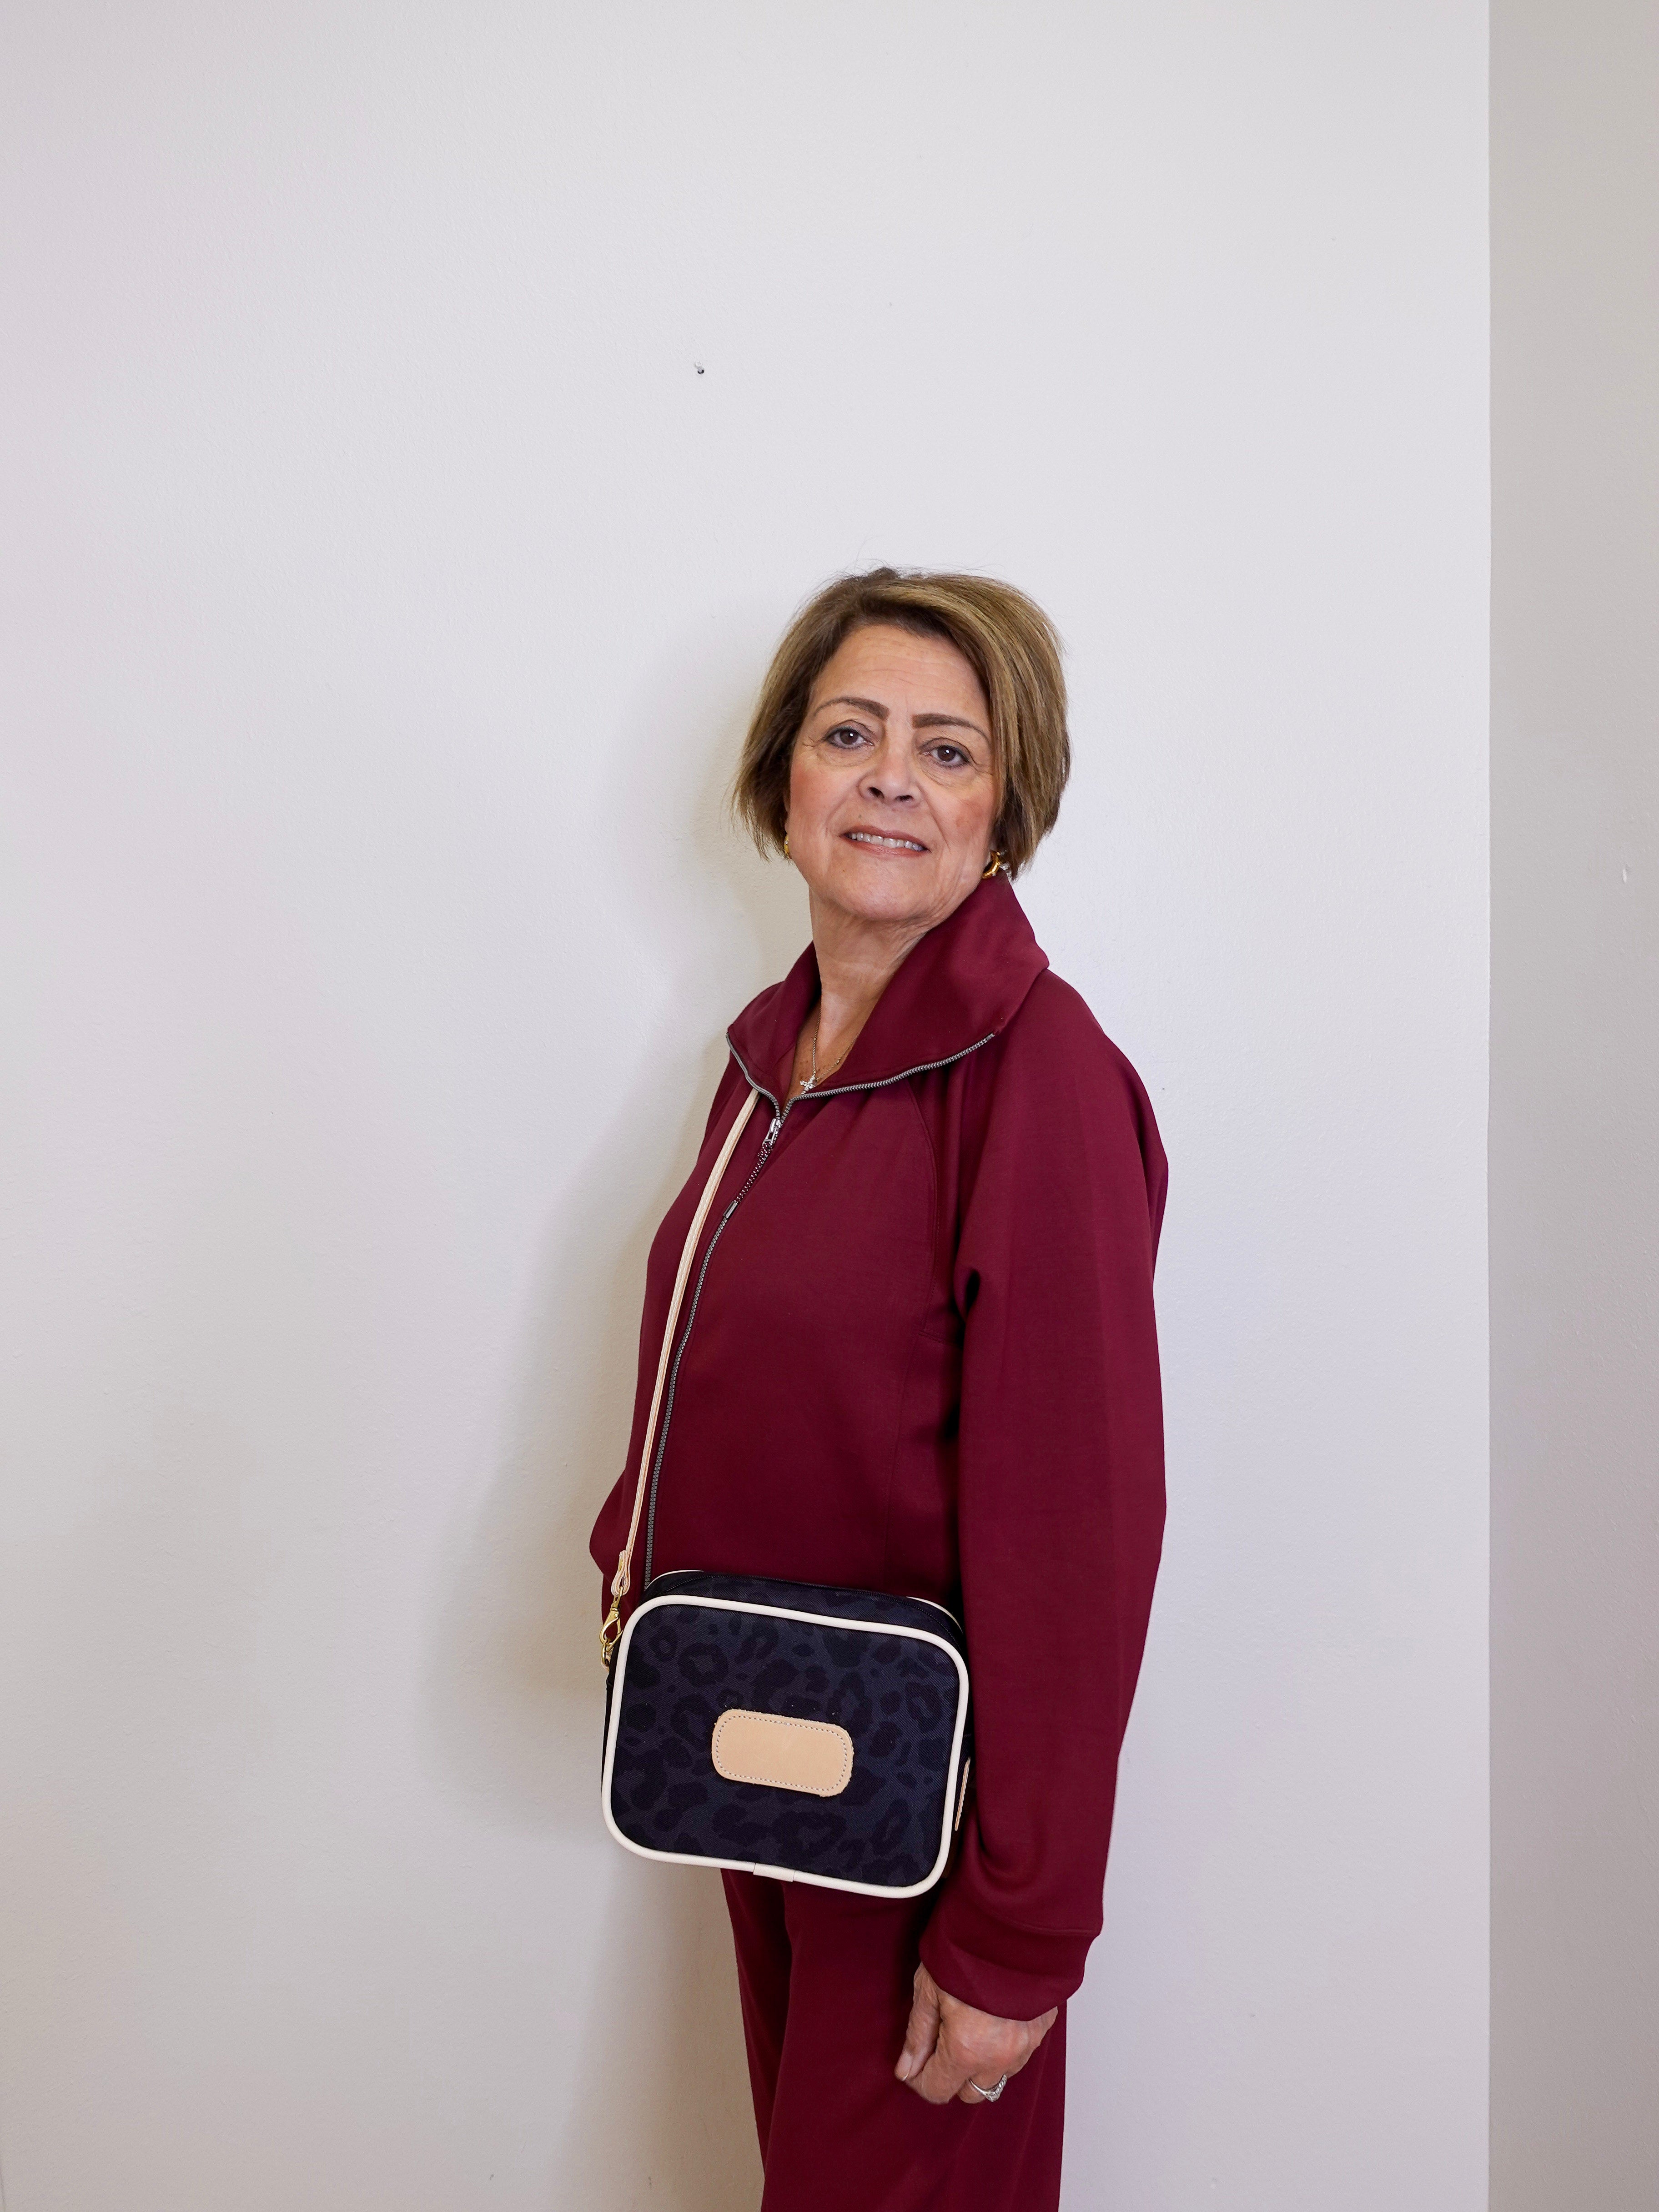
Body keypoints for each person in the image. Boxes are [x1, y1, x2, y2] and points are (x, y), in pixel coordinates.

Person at [588, 567, 1167, 2212]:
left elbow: (1085, 1524)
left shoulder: (1037, 1073)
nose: (892, 778)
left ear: (1006, 807)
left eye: (948, 748)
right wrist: (636, 1546)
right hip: (754, 1751)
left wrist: (1020, 1928)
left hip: (926, 1822)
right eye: (851, 734)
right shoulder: (775, 1059)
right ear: (786, 779)